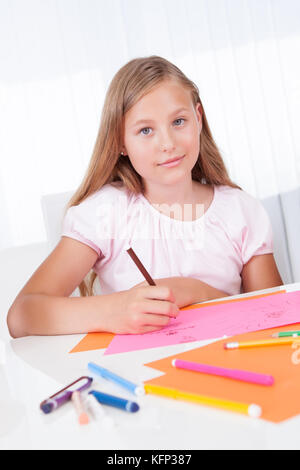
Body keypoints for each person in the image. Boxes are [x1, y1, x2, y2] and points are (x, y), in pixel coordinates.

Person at [7, 56, 282, 338]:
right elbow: (22, 315)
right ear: (120, 141)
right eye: (145, 130)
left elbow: (276, 319)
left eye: (178, 121)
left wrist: (196, 291)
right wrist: (115, 310)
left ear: (197, 118)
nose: (168, 143)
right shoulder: (107, 213)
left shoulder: (241, 211)